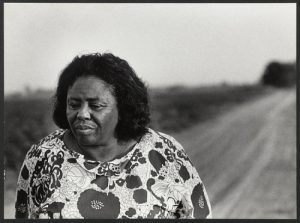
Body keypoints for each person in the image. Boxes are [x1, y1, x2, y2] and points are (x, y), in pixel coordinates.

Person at [15, 52, 212, 219]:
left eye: (96, 105)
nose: (82, 114)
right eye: (74, 104)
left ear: (124, 108)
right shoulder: (42, 156)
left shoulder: (166, 153)